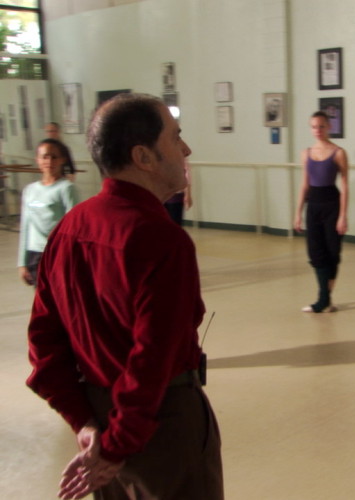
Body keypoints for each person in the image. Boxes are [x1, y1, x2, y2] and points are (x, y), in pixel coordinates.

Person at [26, 93, 223, 500]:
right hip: (161, 426)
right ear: (143, 156)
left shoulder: (69, 230)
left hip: (99, 422)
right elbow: (152, 360)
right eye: (175, 137)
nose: (186, 148)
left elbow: (44, 345)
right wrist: (117, 447)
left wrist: (86, 424)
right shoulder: (163, 241)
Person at [294, 111, 349, 313]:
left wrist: (343, 215)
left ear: (329, 127)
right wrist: (298, 212)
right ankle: (323, 299)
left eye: (321, 126)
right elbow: (304, 184)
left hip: (332, 205)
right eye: (314, 127)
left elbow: (344, 184)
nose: (317, 130)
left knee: (333, 252)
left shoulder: (339, 152)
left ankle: (325, 299)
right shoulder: (306, 154)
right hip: (313, 206)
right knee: (316, 253)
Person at [17, 138, 78, 286]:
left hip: (57, 253)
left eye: (54, 157)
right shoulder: (30, 190)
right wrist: (22, 262)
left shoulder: (66, 188)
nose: (49, 161)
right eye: (44, 157)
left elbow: (74, 226)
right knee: (42, 300)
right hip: (35, 255)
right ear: (37, 160)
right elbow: (25, 226)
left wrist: (69, 257)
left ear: (62, 160)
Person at [164, 160, 193, 226]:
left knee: (175, 222)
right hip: (160, 193)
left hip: (175, 194)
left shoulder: (178, 153)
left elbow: (186, 173)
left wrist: (188, 194)